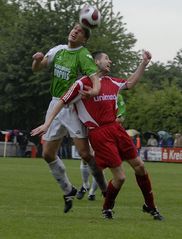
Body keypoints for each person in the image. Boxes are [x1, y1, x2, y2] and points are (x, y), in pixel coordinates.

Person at [31, 50, 164, 221]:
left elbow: (130, 83)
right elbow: (62, 101)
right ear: (95, 62)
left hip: (116, 129)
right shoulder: (81, 83)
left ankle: (150, 206)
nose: (110, 61)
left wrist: (143, 64)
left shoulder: (111, 81)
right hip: (99, 134)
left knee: (140, 166)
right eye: (107, 58)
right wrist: (47, 123)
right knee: (120, 177)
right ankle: (107, 208)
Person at [31, 23, 107, 213]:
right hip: (55, 104)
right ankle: (68, 190)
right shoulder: (58, 50)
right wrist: (37, 60)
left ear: (85, 39)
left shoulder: (84, 55)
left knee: (85, 154)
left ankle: (106, 191)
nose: (74, 31)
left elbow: (95, 77)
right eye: (74, 28)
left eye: (80, 31)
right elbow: (37, 69)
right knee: (47, 154)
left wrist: (95, 90)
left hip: (73, 105)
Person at [76, 94, 126, 201]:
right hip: (93, 131)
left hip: (107, 134)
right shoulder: (93, 94)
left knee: (98, 163)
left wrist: (105, 122)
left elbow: (121, 118)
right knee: (85, 159)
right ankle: (85, 185)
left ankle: (92, 193)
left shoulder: (117, 96)